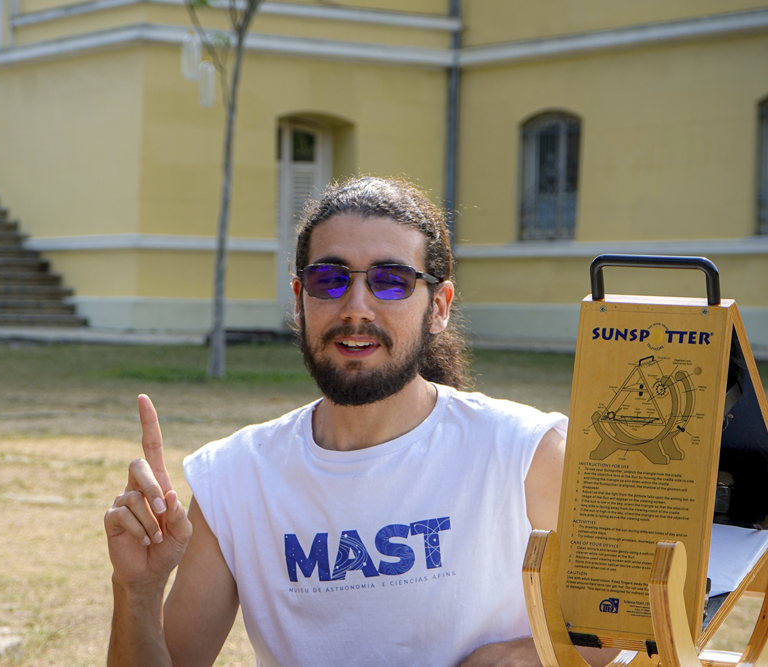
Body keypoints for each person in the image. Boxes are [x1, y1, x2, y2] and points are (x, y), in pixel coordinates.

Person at [105, 177, 611, 666]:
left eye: (392, 281)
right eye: (330, 279)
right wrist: (138, 594)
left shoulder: (524, 455)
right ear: (300, 301)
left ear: (438, 307)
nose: (356, 307)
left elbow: (638, 628)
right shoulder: (235, 478)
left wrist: (535, 656)